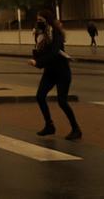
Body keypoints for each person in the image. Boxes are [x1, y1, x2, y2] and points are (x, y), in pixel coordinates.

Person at [30, 9, 82, 141]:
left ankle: (76, 129)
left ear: (47, 20)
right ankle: (49, 125)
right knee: (40, 96)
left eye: (41, 20)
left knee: (62, 101)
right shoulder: (40, 35)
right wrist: (36, 49)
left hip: (61, 71)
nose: (38, 23)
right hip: (50, 72)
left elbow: (53, 53)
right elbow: (42, 53)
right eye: (37, 20)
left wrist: (38, 62)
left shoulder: (56, 33)